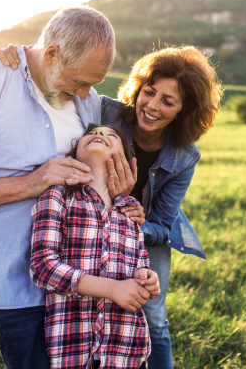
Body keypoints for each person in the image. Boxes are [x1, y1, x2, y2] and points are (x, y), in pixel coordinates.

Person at [0, 6, 144, 369]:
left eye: (92, 84)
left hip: (85, 287)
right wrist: (31, 183)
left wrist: (123, 202)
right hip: (20, 288)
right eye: (79, 82)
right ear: (51, 54)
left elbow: (91, 179)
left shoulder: (86, 98)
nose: (86, 94)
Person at [0, 44, 223, 369]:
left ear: (185, 110)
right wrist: (18, 56)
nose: (152, 106)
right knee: (82, 294)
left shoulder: (184, 157)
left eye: (168, 102)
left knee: (153, 317)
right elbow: (58, 83)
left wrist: (135, 223)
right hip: (87, 211)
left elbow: (163, 226)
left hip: (138, 228)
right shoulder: (107, 112)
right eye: (149, 92)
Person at [31, 124, 160, 369]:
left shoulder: (130, 209)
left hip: (126, 347)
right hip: (73, 345)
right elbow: (42, 267)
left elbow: (141, 264)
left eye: (111, 135)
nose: (99, 135)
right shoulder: (57, 196)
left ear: (123, 157)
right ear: (73, 153)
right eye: (91, 134)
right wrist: (112, 289)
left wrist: (147, 278)